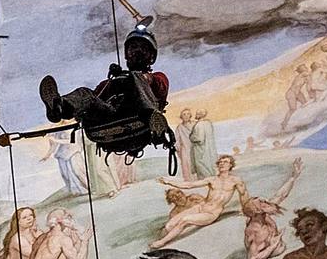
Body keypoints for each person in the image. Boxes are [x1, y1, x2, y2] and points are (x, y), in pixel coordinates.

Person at [39, 24, 172, 159]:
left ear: (151, 56)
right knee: (86, 94)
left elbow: (154, 85)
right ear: (126, 54)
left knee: (136, 77)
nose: (137, 52)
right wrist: (116, 82)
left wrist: (132, 78)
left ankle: (152, 119)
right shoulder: (108, 84)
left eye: (143, 49)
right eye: (133, 48)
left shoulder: (158, 78)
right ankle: (59, 108)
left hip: (140, 118)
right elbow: (93, 102)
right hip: (108, 120)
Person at [151, 155, 248, 249]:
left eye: (225, 162)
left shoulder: (236, 181)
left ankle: (162, 242)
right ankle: (159, 239)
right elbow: (190, 185)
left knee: (185, 220)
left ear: (231, 165)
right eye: (220, 162)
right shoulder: (212, 180)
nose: (222, 164)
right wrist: (169, 182)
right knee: (169, 225)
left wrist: (246, 210)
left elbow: (243, 195)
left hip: (211, 213)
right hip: (200, 207)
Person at [242, 157, 304, 259]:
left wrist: (294, 177)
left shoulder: (263, 215)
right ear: (257, 211)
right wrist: (273, 245)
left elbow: (280, 195)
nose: (266, 202)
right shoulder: (257, 231)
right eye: (262, 203)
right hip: (271, 254)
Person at [189, 110, 217, 179]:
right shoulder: (208, 123)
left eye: (197, 114)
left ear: (200, 115)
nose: (196, 115)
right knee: (209, 164)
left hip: (200, 149)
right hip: (208, 148)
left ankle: (204, 180)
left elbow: (199, 139)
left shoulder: (199, 125)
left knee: (201, 165)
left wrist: (191, 137)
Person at [174, 109, 196, 181]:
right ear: (181, 117)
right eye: (184, 114)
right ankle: (187, 180)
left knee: (195, 163)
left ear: (190, 115)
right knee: (185, 164)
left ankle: (196, 180)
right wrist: (177, 147)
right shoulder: (179, 127)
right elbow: (177, 139)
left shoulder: (195, 124)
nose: (186, 116)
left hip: (194, 148)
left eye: (187, 114)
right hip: (184, 148)